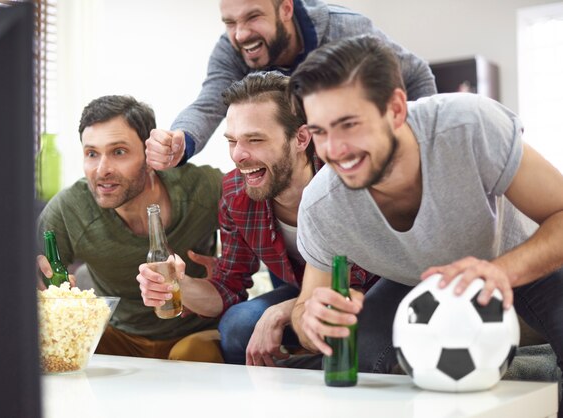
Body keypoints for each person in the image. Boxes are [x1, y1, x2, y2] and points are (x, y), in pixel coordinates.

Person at [287, 36, 563, 411]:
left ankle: (540, 377)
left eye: (349, 125)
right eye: (319, 132)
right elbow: (306, 308)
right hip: (416, 282)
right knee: (366, 355)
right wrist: (311, 321)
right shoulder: (323, 206)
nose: (334, 150)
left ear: (396, 109)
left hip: (520, 258)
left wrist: (499, 271)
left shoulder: (470, 125)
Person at [137, 71, 377, 367]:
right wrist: (177, 284)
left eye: (255, 139)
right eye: (232, 141)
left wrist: (281, 312)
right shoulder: (236, 194)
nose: (238, 155)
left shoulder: (343, 183)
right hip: (304, 290)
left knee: (353, 334)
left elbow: (359, 284)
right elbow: (227, 288)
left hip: (369, 293)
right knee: (237, 325)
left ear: (301, 138)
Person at [37, 95, 224, 363]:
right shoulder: (70, 210)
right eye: (92, 154)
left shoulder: (202, 188)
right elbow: (31, 279)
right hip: (119, 336)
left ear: (150, 157)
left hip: (195, 333)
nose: (102, 170)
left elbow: (260, 227)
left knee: (193, 353)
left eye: (119, 152)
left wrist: (228, 269)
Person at [145, 0, 437, 171]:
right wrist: (181, 139)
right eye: (230, 22)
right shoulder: (230, 49)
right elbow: (210, 101)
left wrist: (419, 150)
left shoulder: (345, 29)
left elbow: (417, 74)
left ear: (285, 8)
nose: (242, 33)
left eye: (253, 16)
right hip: (293, 178)